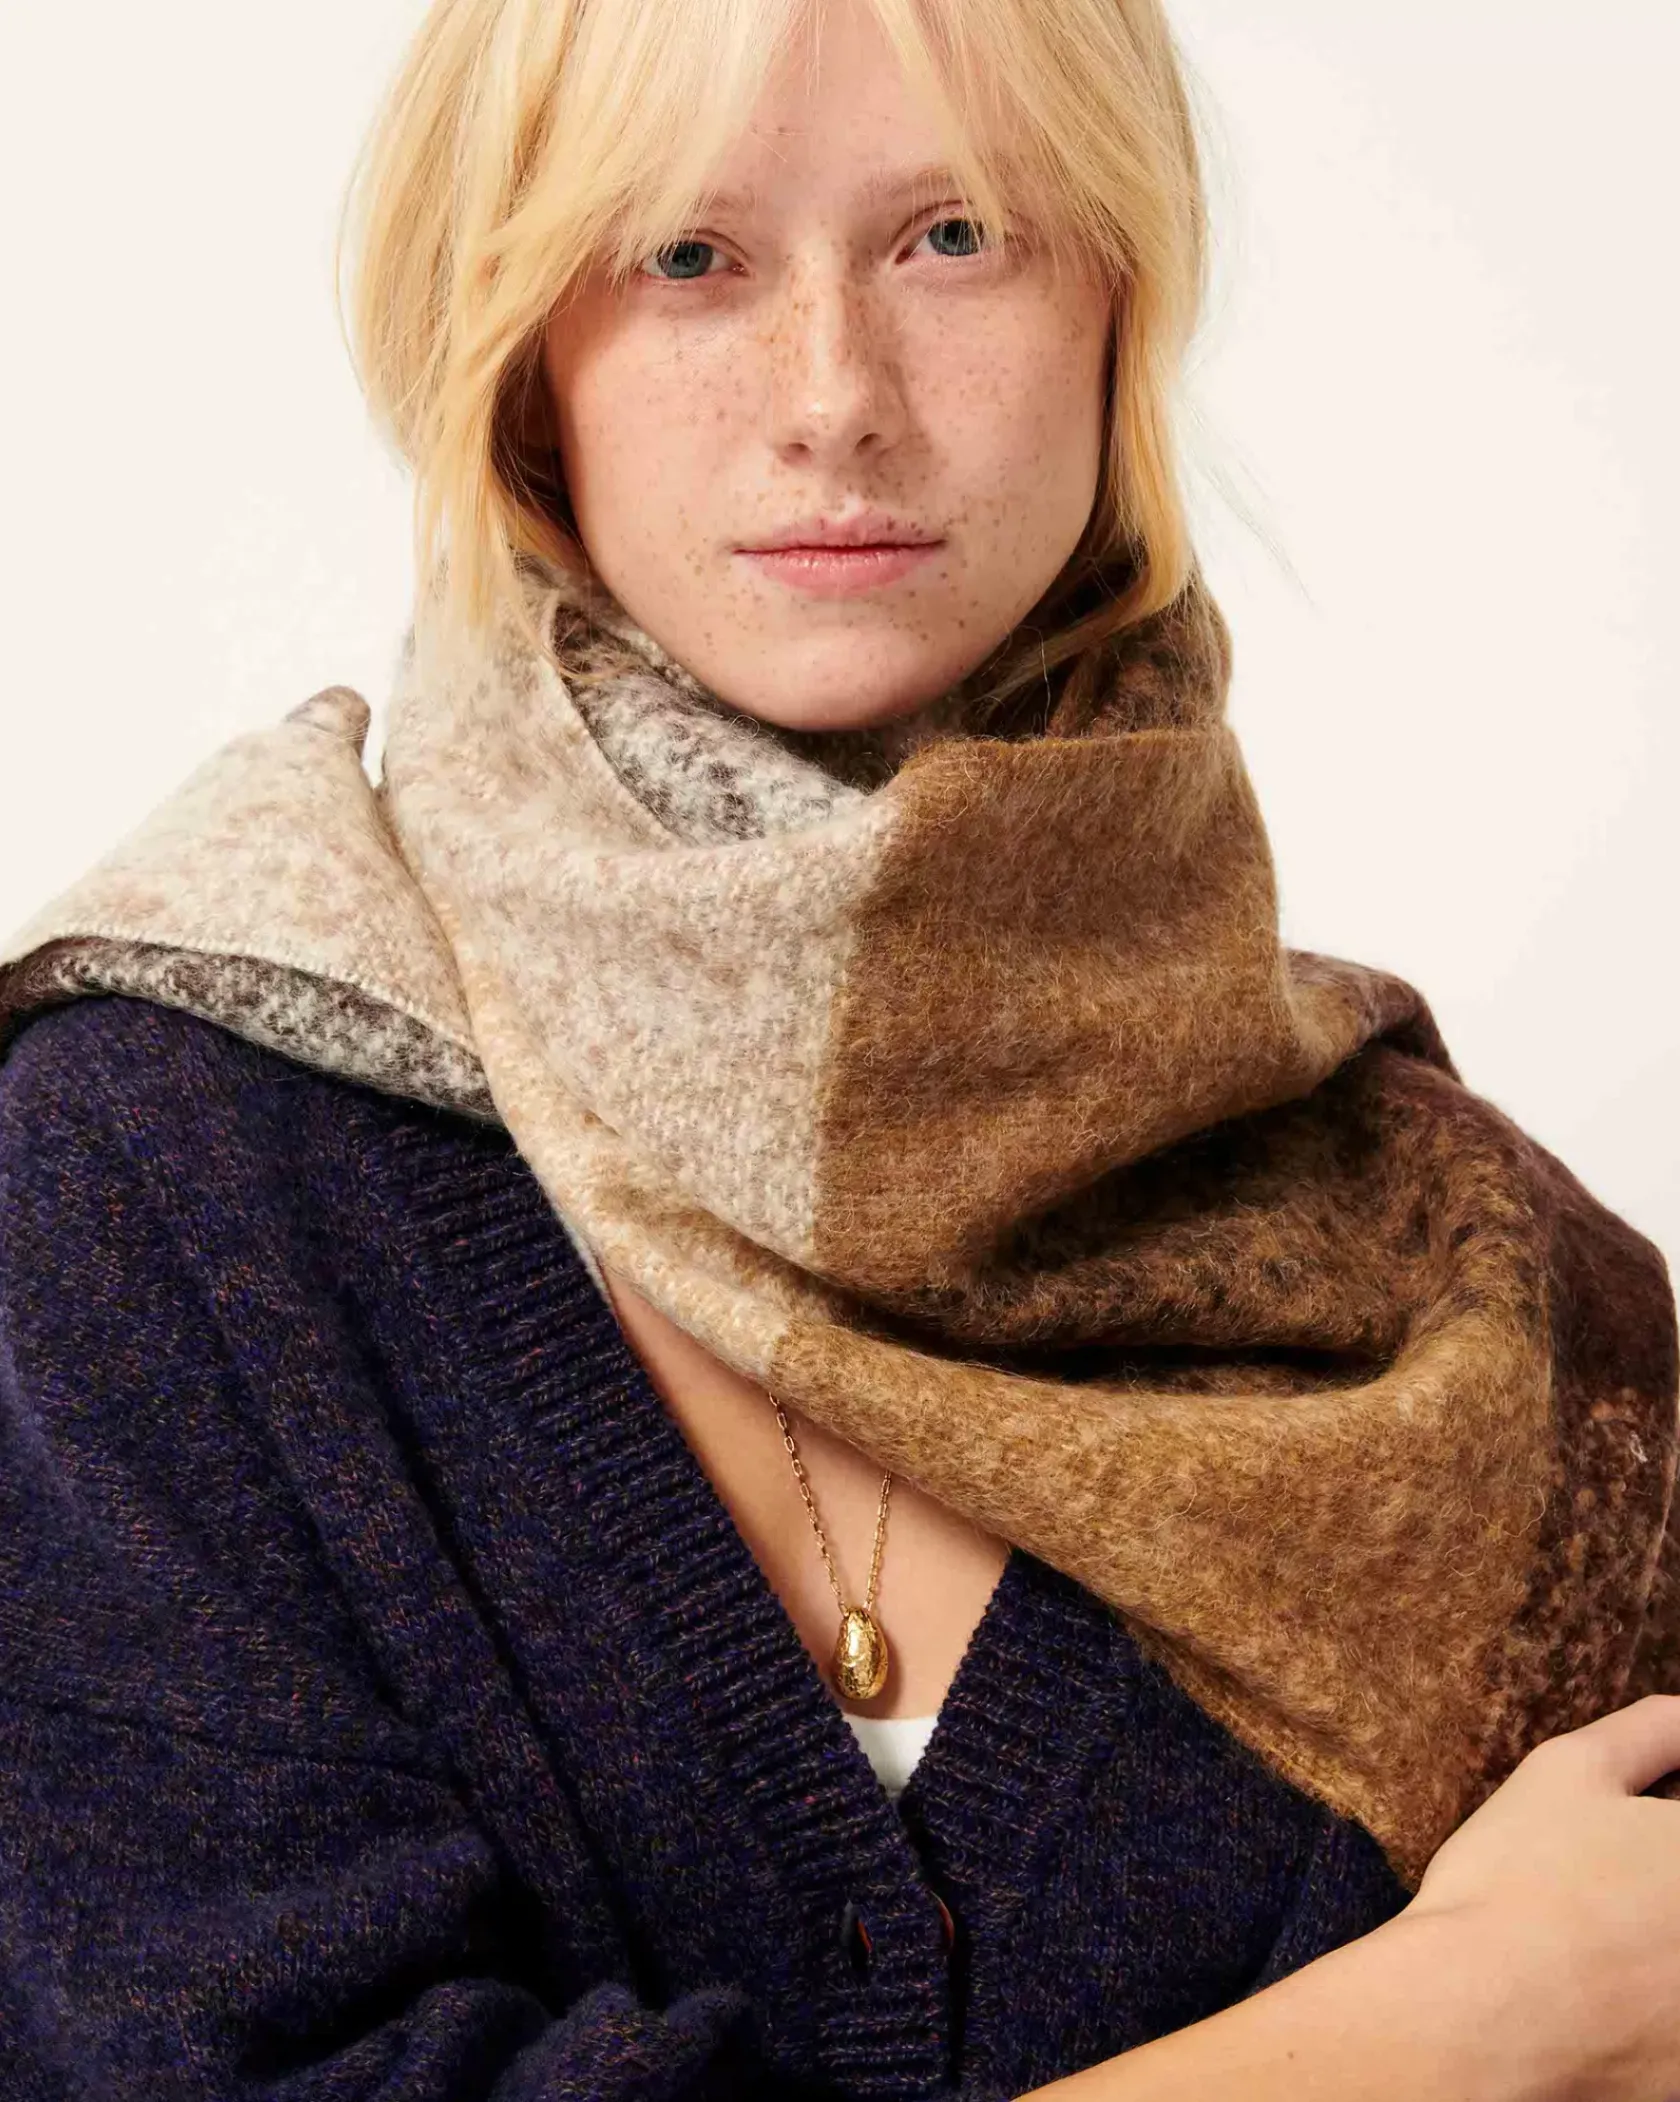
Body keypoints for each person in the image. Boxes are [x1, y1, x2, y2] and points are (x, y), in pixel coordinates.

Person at [1, 0, 1677, 2096]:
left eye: (954, 236)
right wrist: (1469, 2021)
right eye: (686, 255)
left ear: (1120, 301)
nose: (836, 399)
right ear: (518, 355)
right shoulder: (160, 1179)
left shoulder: (1492, 1305)